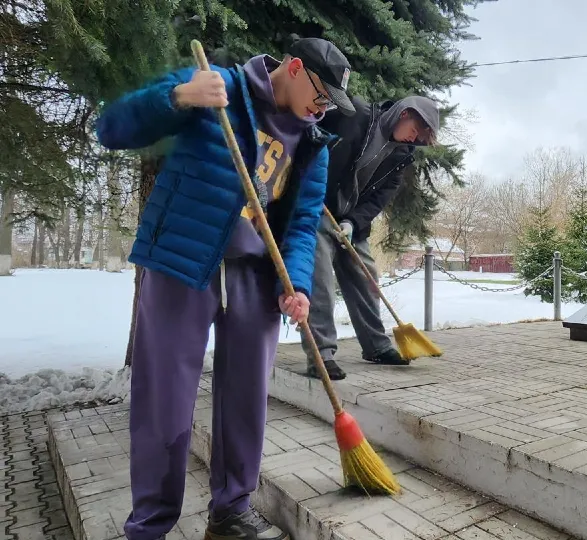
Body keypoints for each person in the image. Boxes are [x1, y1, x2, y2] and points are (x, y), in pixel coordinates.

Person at [95, 36, 355, 540]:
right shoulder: (217, 87)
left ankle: (231, 511)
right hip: (182, 263)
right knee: (164, 402)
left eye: (329, 105)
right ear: (295, 68)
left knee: (246, 401)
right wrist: (177, 98)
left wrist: (296, 283)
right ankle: (150, 524)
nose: (321, 110)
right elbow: (112, 128)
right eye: (320, 96)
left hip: (256, 277)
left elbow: (301, 225)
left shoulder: (314, 143)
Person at [300, 94, 440, 380]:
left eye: (418, 139)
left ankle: (376, 345)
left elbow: (379, 199)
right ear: (404, 113)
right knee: (321, 277)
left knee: (366, 276)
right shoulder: (355, 115)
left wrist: (353, 222)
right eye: (414, 131)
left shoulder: (401, 156)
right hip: (318, 207)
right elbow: (309, 133)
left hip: (350, 219)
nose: (412, 140)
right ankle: (321, 355)